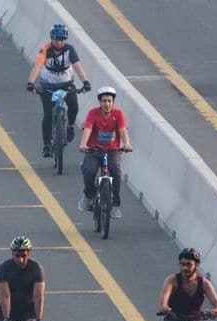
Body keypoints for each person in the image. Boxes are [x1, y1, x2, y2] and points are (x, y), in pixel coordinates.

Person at [26, 24, 90, 158]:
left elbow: (77, 65)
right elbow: (37, 66)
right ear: (52, 39)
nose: (60, 42)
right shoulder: (45, 49)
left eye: (62, 39)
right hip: (48, 84)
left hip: (67, 83)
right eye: (57, 39)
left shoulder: (69, 49)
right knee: (48, 115)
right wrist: (31, 82)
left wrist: (85, 81)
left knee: (73, 105)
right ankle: (47, 145)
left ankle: (70, 126)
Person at [77, 86, 132, 219]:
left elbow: (123, 130)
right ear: (100, 102)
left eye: (109, 101)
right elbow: (88, 129)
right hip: (94, 150)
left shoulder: (118, 114)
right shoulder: (93, 113)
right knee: (89, 170)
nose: (106, 104)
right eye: (104, 101)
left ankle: (115, 205)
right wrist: (83, 144)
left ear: (113, 102)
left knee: (116, 171)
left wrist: (127, 144)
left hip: (112, 151)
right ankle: (89, 196)